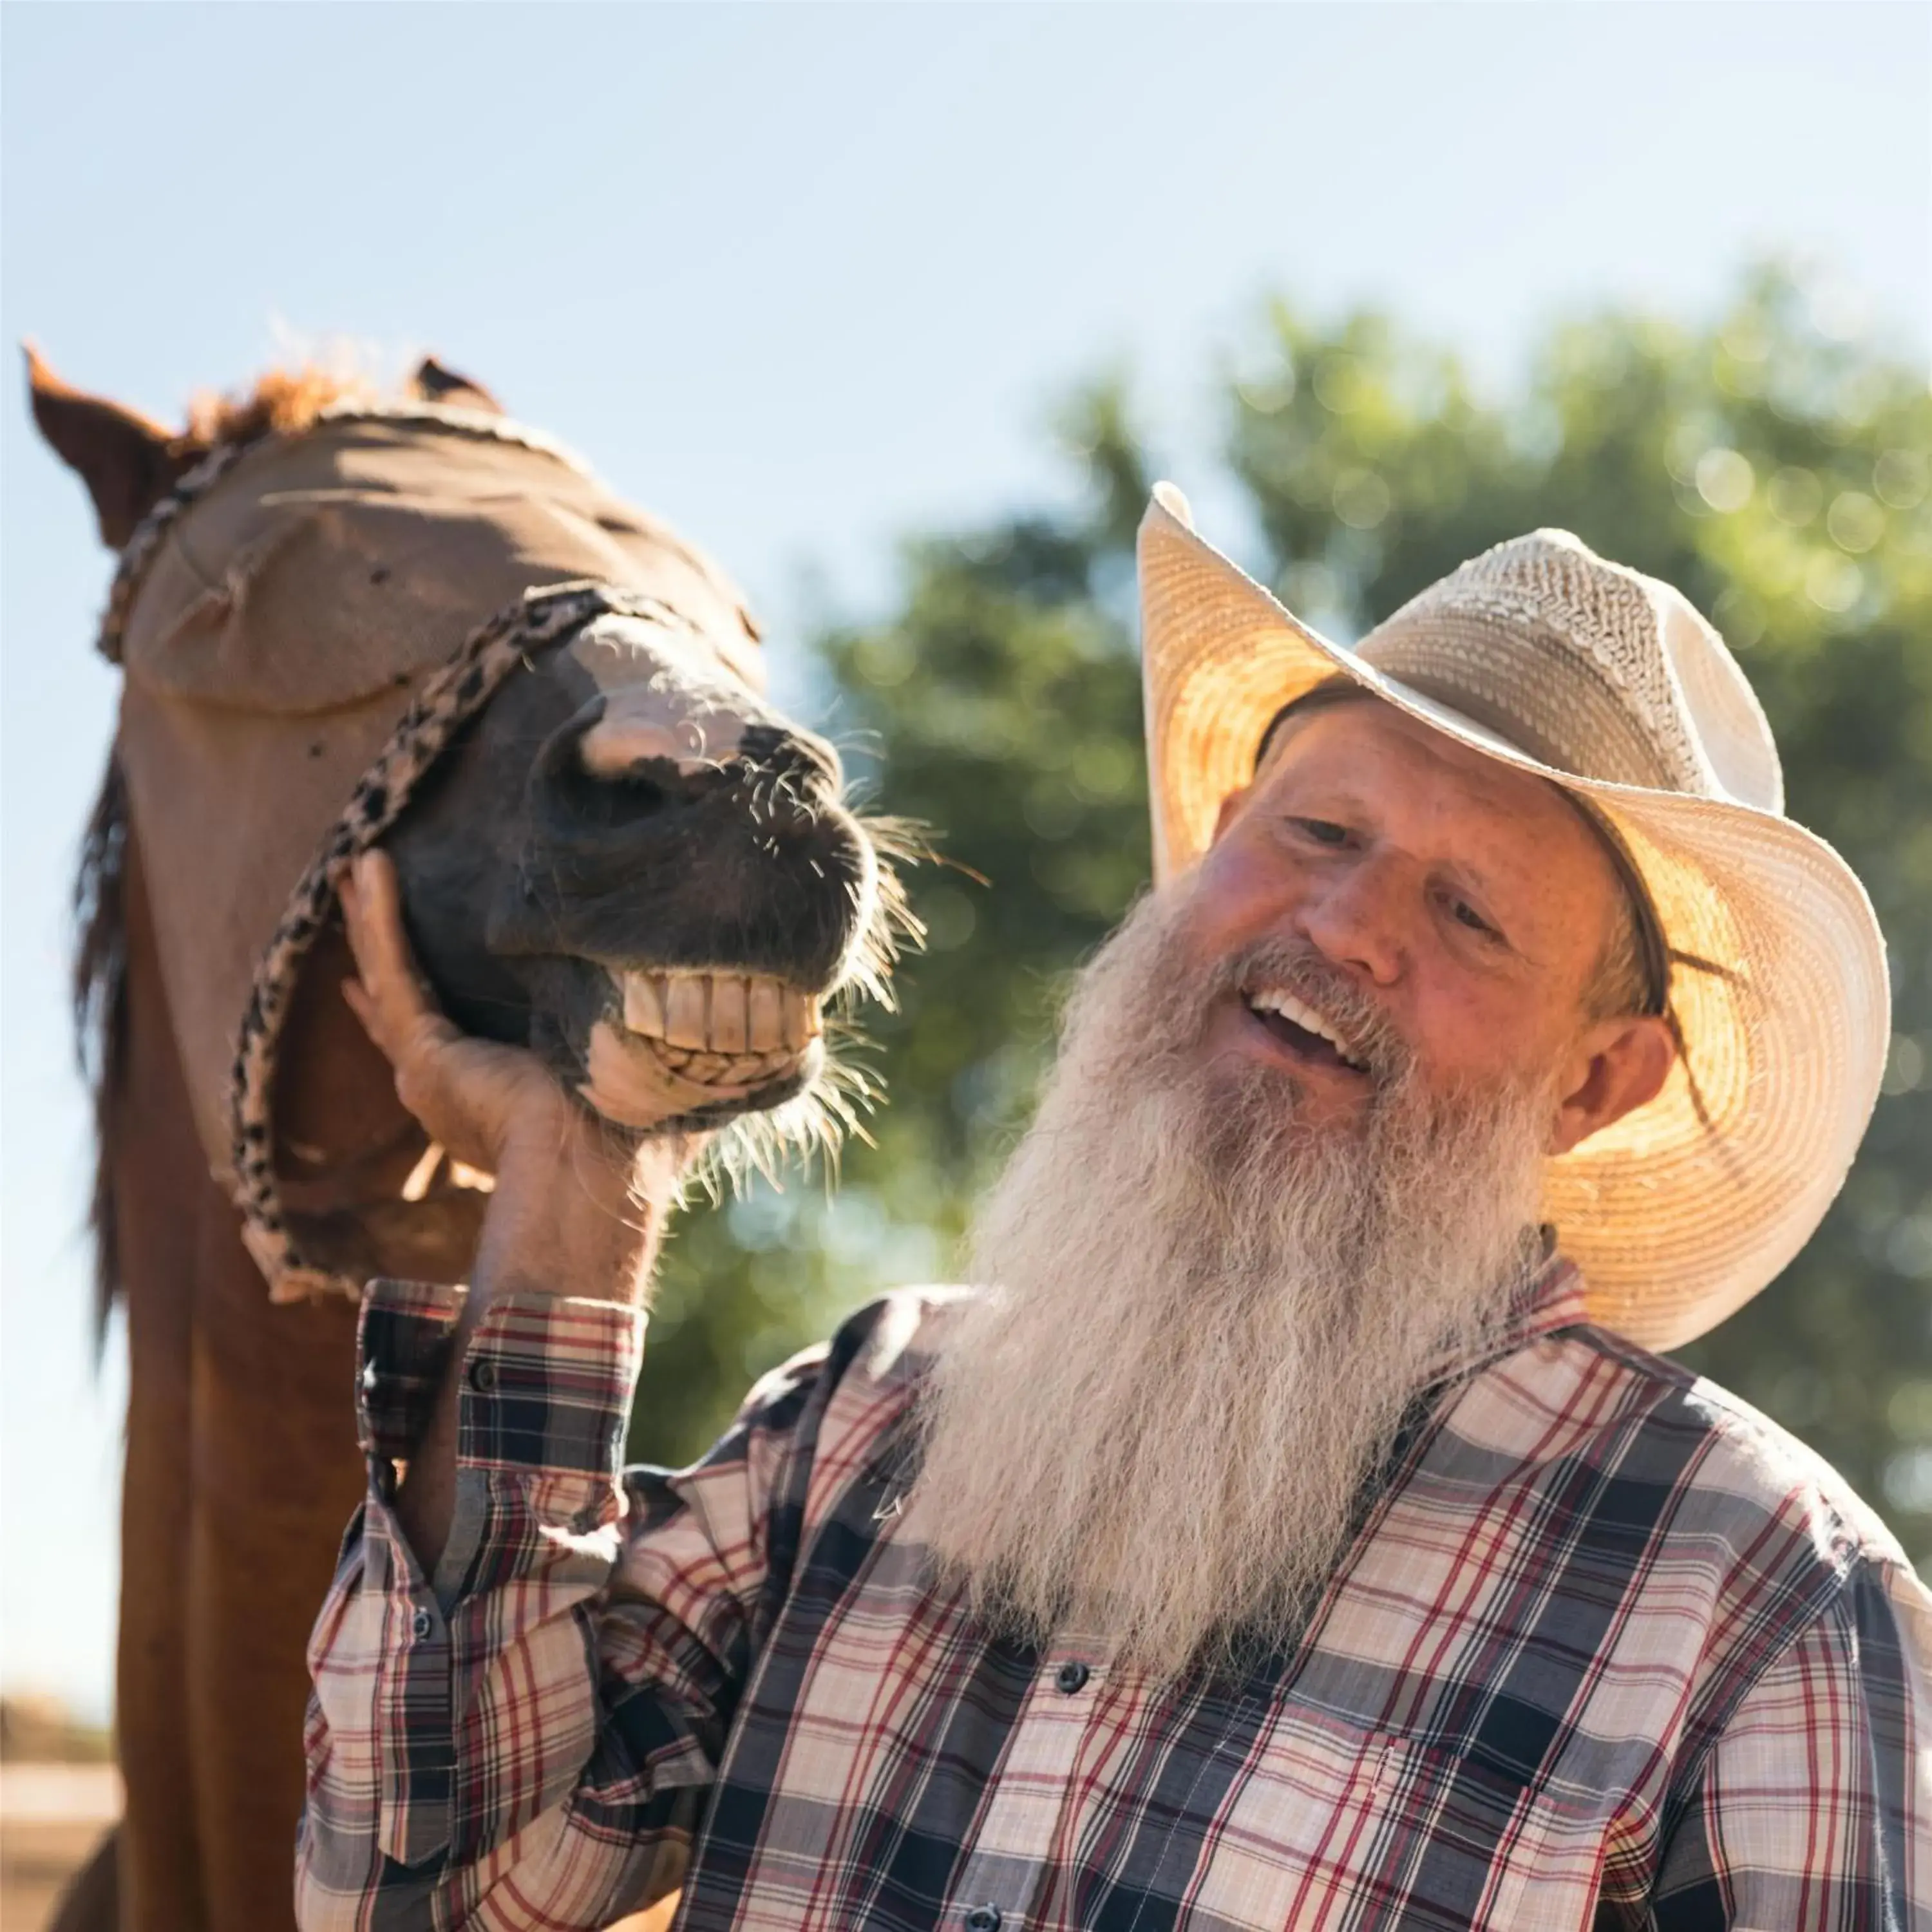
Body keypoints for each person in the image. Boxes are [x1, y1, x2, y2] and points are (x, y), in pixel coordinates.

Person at [296, 492, 1929, 1931]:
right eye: (1319, 832)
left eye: (1470, 912)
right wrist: (580, 1172)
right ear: (1216, 852)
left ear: (1599, 1085)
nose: (1349, 925)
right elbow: (424, 1887)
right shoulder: (869, 1421)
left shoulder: (1756, 1598)